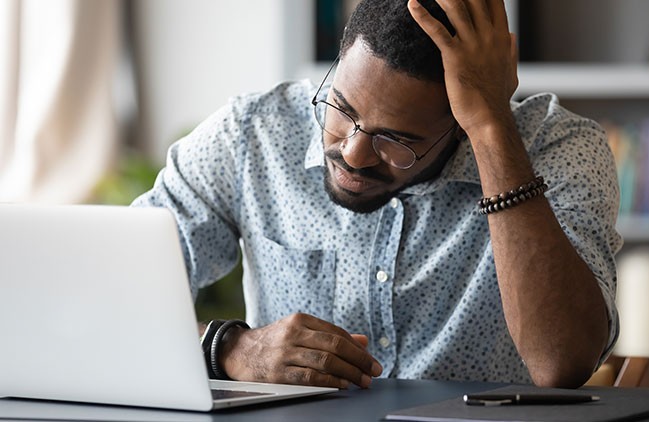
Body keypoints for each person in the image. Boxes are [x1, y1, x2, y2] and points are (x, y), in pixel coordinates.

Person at [133, 0, 622, 389]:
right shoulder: (249, 137)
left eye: (398, 140)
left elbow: (560, 362)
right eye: (340, 109)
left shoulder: (557, 148)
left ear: (460, 125)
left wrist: (492, 127)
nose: (354, 153)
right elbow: (105, 302)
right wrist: (231, 350)